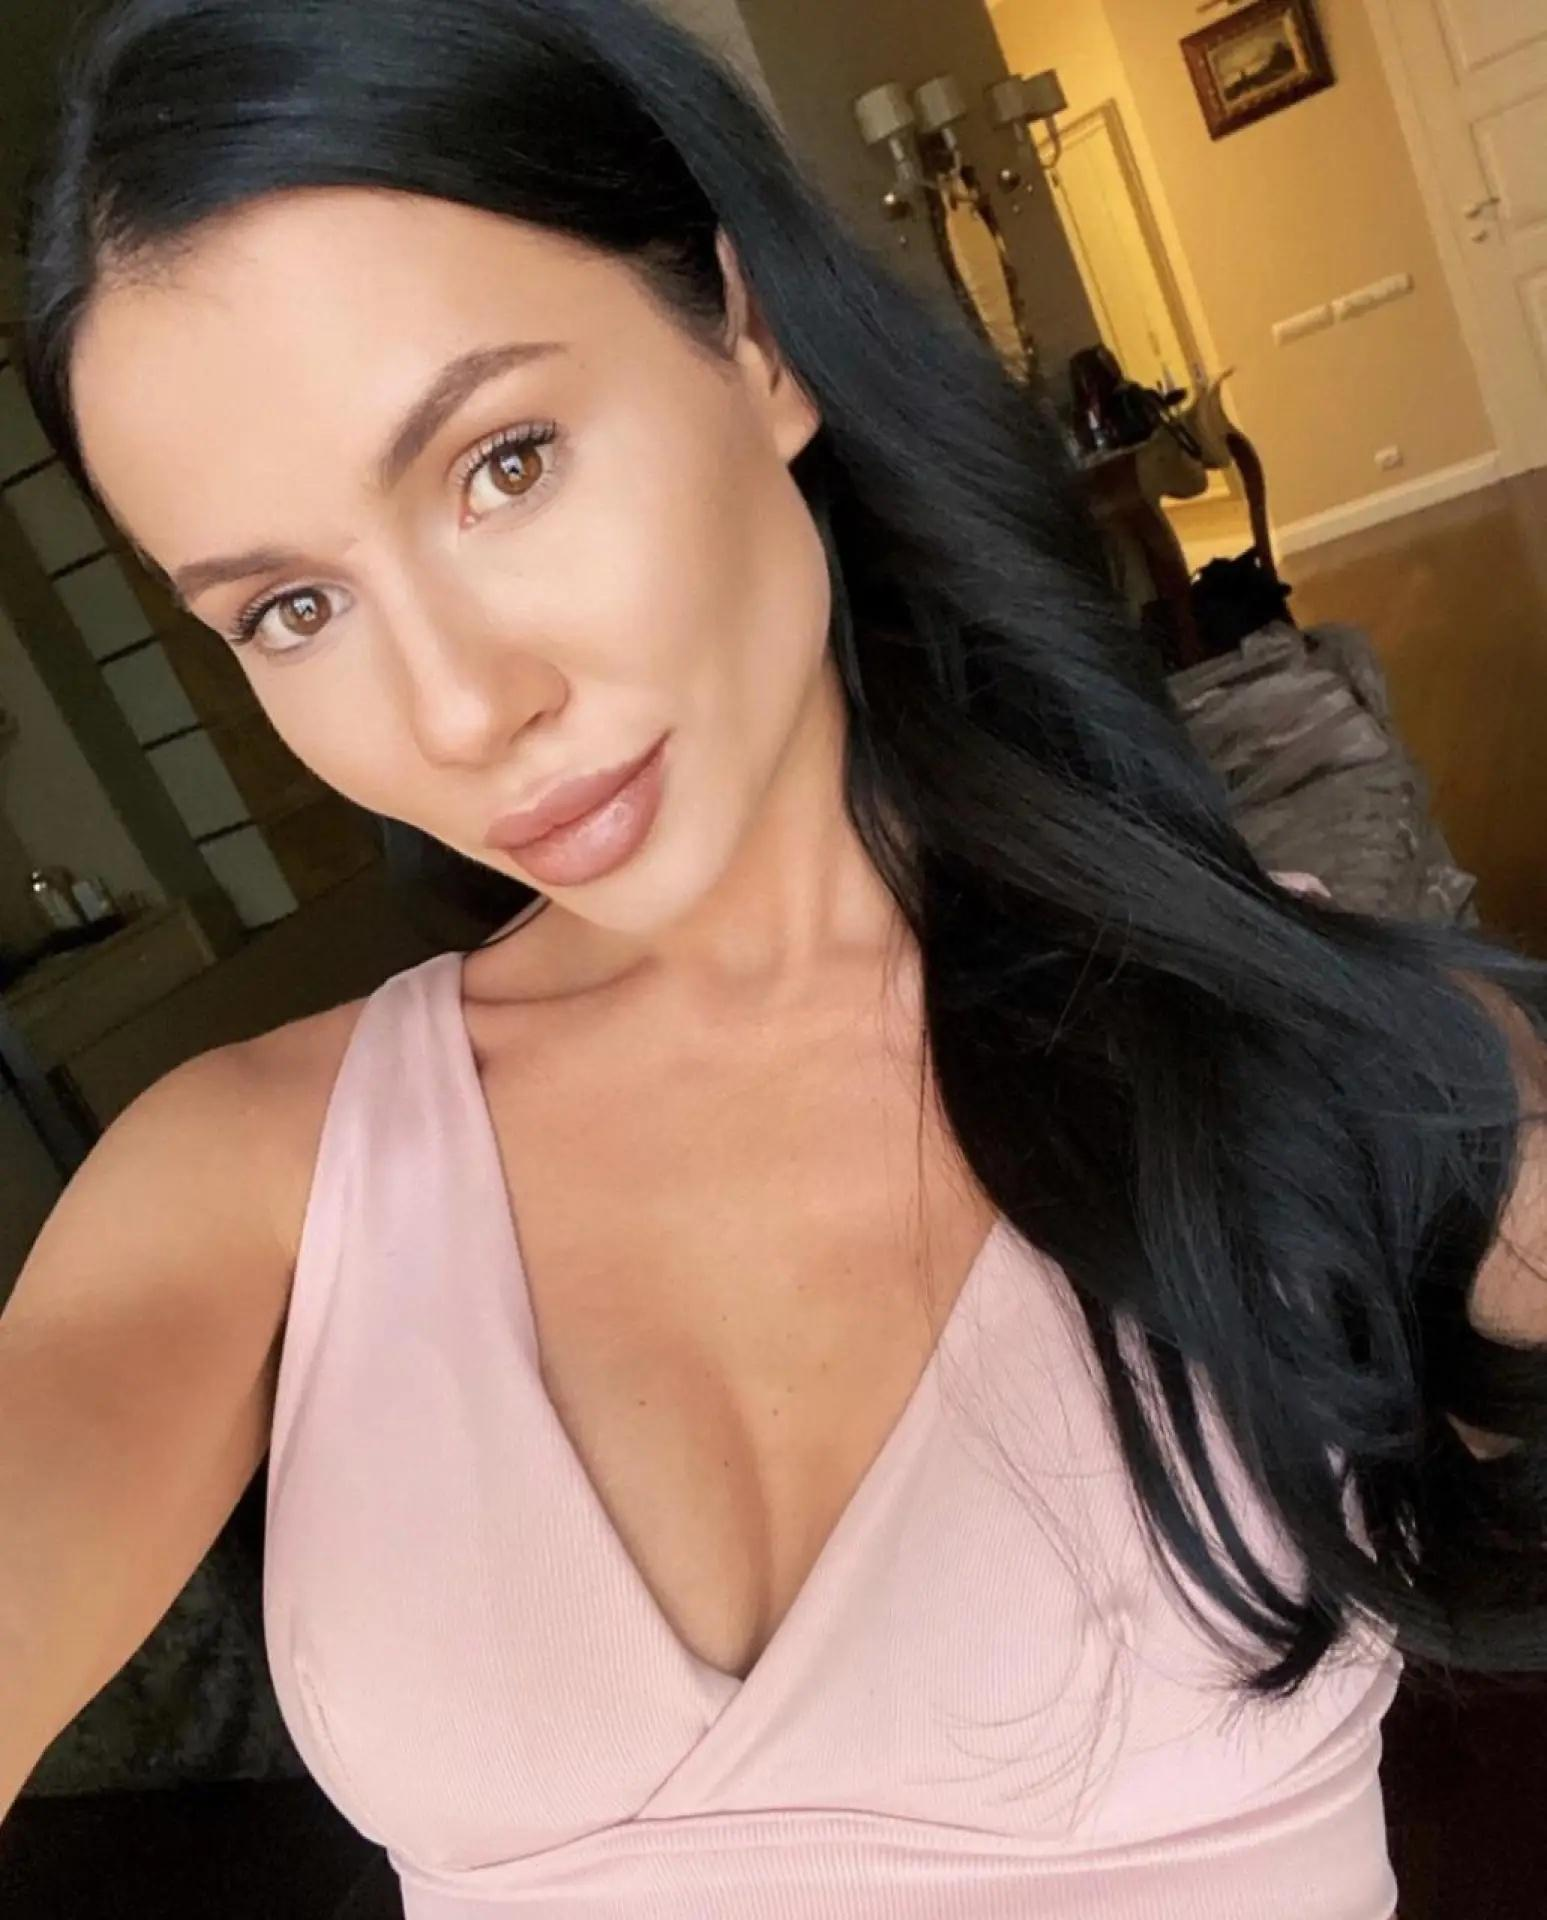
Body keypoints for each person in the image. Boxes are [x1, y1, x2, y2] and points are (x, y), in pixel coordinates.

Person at [2, 0, 1545, 1913]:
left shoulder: (1345, 1062)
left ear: (751, 342)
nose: (460, 709)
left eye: (503, 463)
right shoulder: (246, 1180)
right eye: (293, 608)